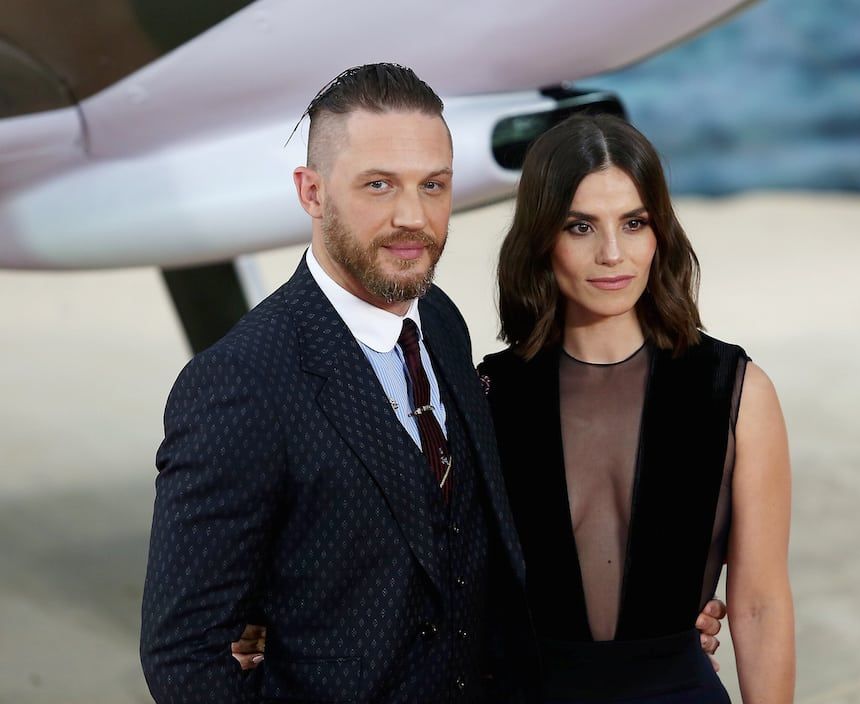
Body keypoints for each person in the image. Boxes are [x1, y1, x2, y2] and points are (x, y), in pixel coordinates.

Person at [141, 63, 727, 703]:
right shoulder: (238, 382)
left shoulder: (442, 323)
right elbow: (183, 654)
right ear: (312, 192)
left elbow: (475, 548)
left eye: (434, 186)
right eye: (378, 185)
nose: (412, 217)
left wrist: (643, 628)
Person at [476, 114, 795, 703]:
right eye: (580, 227)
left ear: (659, 234)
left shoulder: (738, 391)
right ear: (542, 237)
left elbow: (759, 605)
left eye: (633, 222)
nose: (612, 253)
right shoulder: (491, 394)